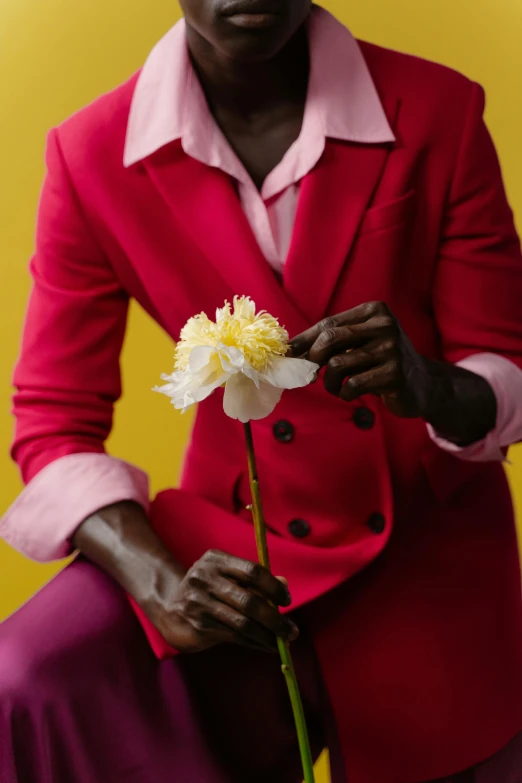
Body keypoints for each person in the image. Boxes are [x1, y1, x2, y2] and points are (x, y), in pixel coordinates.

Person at [1, 1, 522, 781]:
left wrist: (431, 382)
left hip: (423, 539)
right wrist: (161, 585)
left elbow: (505, 363)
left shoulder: (440, 108)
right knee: (27, 675)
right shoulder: (90, 152)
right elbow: (53, 421)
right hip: (227, 548)